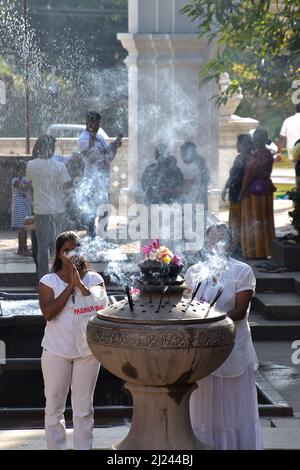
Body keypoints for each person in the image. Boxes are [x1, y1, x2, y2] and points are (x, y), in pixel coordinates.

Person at [185, 223, 263, 450]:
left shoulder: (242, 271)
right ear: (206, 243)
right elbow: (187, 307)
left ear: (230, 243)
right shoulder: (194, 271)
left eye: (222, 239)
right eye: (212, 239)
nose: (216, 243)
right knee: (203, 406)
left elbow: (239, 311)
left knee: (233, 408)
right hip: (202, 350)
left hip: (232, 346)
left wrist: (210, 321)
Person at [39, 231, 109, 450]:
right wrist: (69, 285)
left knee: (83, 409)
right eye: (66, 250)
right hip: (56, 350)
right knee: (54, 407)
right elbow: (48, 313)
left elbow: (102, 307)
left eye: (74, 250)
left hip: (87, 352)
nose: (71, 255)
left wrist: (79, 284)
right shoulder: (48, 281)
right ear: (59, 254)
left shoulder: (95, 278)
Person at [26, 135, 72, 279]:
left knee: (42, 248)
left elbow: (29, 186)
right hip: (58, 211)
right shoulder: (59, 166)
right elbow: (68, 185)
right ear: (52, 148)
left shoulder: (31, 165)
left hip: (41, 211)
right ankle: (60, 277)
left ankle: (43, 280)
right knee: (58, 247)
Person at [75, 111, 122, 238]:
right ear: (89, 123)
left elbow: (109, 156)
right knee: (91, 212)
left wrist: (115, 146)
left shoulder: (100, 138)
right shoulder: (83, 138)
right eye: (96, 122)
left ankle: (102, 236)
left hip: (103, 182)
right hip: (91, 181)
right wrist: (92, 144)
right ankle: (91, 237)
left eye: (99, 122)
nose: (98, 124)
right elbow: (89, 157)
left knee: (105, 210)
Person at [240, 128, 276, 259]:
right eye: (254, 139)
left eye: (258, 139)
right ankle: (264, 250)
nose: (255, 142)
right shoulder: (265, 154)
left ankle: (256, 252)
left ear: (264, 140)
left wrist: (243, 191)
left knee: (255, 221)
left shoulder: (259, 155)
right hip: (263, 191)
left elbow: (250, 174)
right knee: (262, 221)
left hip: (255, 193)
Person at [222, 134, 253, 255]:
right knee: (233, 220)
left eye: (238, 144)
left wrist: (241, 194)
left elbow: (246, 179)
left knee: (240, 221)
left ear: (246, 145)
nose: (236, 146)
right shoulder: (238, 158)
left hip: (242, 194)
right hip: (234, 194)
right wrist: (225, 188)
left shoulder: (249, 159)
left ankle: (239, 246)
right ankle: (233, 244)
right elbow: (232, 176)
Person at [180, 141, 210, 210]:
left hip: (192, 205)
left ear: (191, 153)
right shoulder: (198, 164)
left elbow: (186, 188)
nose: (181, 156)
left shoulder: (191, 168)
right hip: (199, 202)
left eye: (184, 153)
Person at [11, 160, 32, 256]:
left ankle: (22, 249)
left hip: (24, 207)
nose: (22, 172)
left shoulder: (25, 178)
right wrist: (31, 182)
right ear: (17, 170)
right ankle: (24, 249)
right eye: (20, 170)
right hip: (18, 208)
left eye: (23, 170)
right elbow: (23, 188)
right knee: (22, 228)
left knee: (24, 229)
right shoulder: (14, 180)